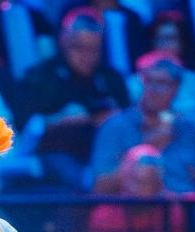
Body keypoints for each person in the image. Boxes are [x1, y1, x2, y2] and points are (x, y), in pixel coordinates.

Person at [15, 7, 129, 190]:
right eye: (79, 48)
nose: (86, 57)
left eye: (93, 50)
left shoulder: (112, 80)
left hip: (105, 155)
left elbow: (127, 118)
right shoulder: (40, 77)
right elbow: (24, 128)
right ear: (63, 41)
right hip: (54, 157)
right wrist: (63, 122)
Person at [91, 51, 195, 193]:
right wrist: (148, 147)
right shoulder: (115, 127)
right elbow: (99, 187)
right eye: (148, 81)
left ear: (176, 88)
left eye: (161, 84)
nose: (153, 90)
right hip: (134, 209)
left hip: (185, 208)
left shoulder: (190, 131)